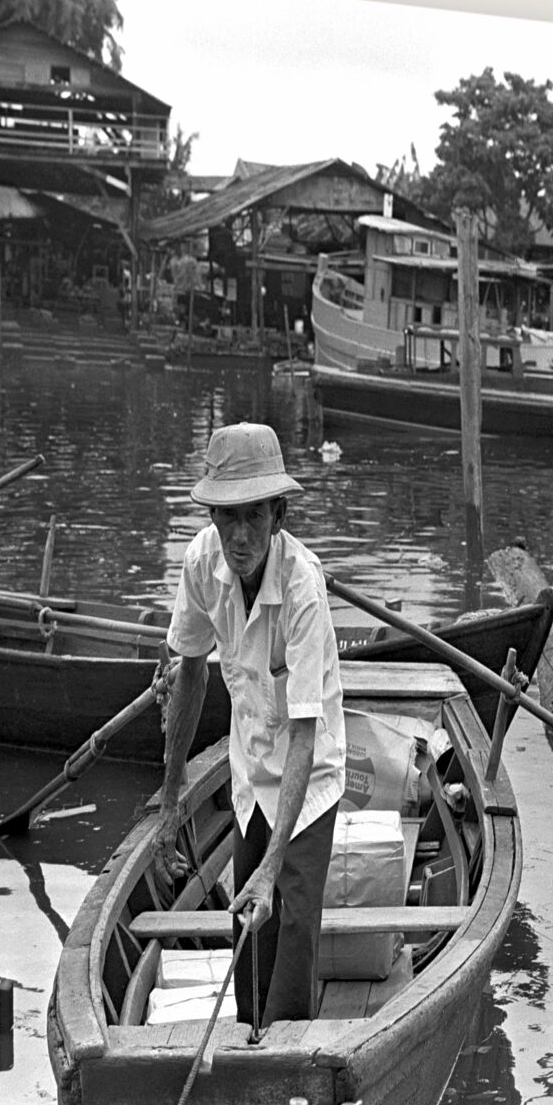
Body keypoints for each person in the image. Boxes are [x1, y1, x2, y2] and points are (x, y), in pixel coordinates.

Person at [158, 423, 347, 1028]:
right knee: (247, 932)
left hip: (308, 779)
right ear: (212, 516)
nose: (240, 536)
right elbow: (191, 674)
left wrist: (273, 866)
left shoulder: (303, 589)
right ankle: (246, 1040)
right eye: (228, 517)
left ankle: (292, 1054)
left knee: (291, 930)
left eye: (255, 517)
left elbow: (305, 735)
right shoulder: (200, 563)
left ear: (278, 516)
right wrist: (171, 801)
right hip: (247, 770)